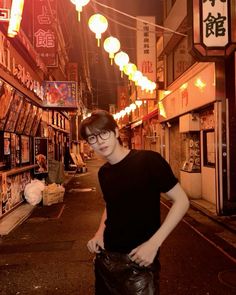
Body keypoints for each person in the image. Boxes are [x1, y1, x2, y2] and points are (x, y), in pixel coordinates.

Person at [79, 109, 190, 295]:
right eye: (92, 138)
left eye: (103, 133)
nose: (99, 142)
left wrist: (153, 245)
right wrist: (99, 234)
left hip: (140, 259)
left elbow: (182, 201)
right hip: (107, 259)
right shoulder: (104, 172)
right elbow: (111, 205)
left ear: (115, 132)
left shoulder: (149, 161)